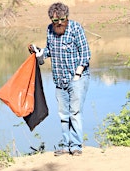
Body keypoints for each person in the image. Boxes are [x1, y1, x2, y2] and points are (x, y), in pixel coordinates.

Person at [29, 2, 91, 156]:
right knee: (63, 114)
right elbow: (49, 51)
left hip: (77, 78)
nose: (59, 23)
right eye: (55, 21)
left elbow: (85, 54)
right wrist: (39, 52)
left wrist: (77, 74)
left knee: (74, 113)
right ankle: (65, 145)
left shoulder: (76, 28)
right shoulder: (50, 30)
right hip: (59, 80)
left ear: (67, 17)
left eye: (61, 20)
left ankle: (76, 146)